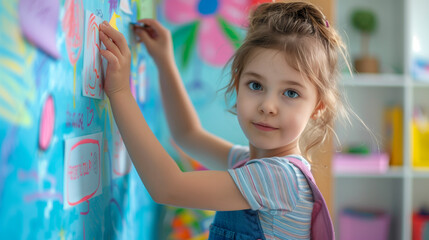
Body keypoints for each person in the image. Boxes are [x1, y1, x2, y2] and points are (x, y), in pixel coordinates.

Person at [99, 1, 350, 239]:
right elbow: (187, 135)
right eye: (255, 85)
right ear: (237, 83)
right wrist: (165, 61)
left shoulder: (280, 179)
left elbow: (167, 187)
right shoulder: (250, 164)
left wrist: (120, 92)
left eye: (291, 93)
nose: (267, 106)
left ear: (317, 107)